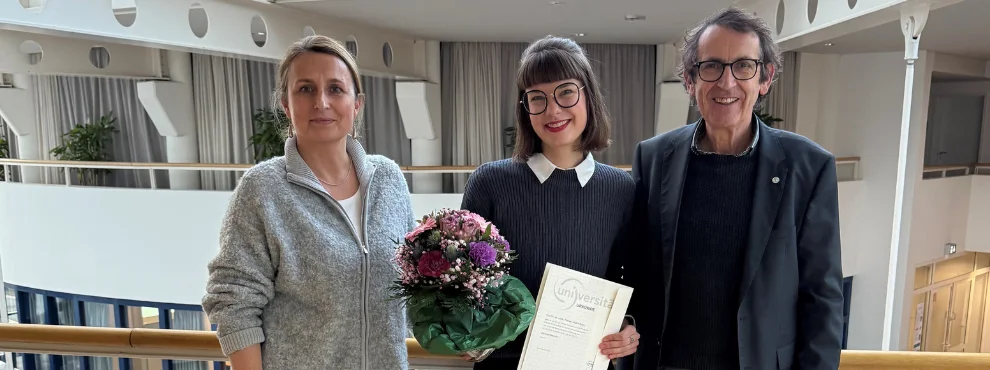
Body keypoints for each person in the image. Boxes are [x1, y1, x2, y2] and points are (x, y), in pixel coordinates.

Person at [625, 7, 844, 370]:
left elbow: (822, 298)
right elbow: (635, 271)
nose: (726, 83)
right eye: (711, 66)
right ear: (689, 80)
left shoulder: (809, 166)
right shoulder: (653, 157)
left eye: (743, 66)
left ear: (765, 78)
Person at [201, 35, 415, 370]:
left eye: (335, 88)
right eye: (305, 89)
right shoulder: (263, 189)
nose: (321, 102)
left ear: (357, 103)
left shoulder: (388, 179)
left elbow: (411, 284)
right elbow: (234, 301)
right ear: (286, 104)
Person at [459, 35, 640, 370]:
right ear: (524, 108)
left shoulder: (620, 189)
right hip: (504, 363)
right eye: (537, 98)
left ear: (588, 95)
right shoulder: (491, 182)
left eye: (566, 92)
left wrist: (629, 326)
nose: (553, 110)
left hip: (586, 362)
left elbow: (627, 280)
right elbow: (464, 281)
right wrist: (463, 328)